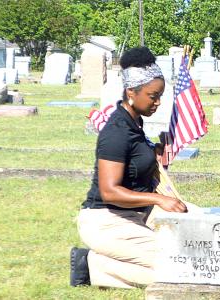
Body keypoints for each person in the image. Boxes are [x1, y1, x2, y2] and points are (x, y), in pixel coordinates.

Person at [70, 47, 188, 289]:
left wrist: (154, 154)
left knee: (195, 233)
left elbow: (134, 164)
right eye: (153, 96)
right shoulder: (116, 132)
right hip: (105, 221)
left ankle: (104, 263)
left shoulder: (135, 121)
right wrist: (157, 199)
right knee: (177, 267)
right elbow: (109, 192)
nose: (158, 102)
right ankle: (92, 265)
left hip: (136, 215)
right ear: (131, 92)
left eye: (160, 96)